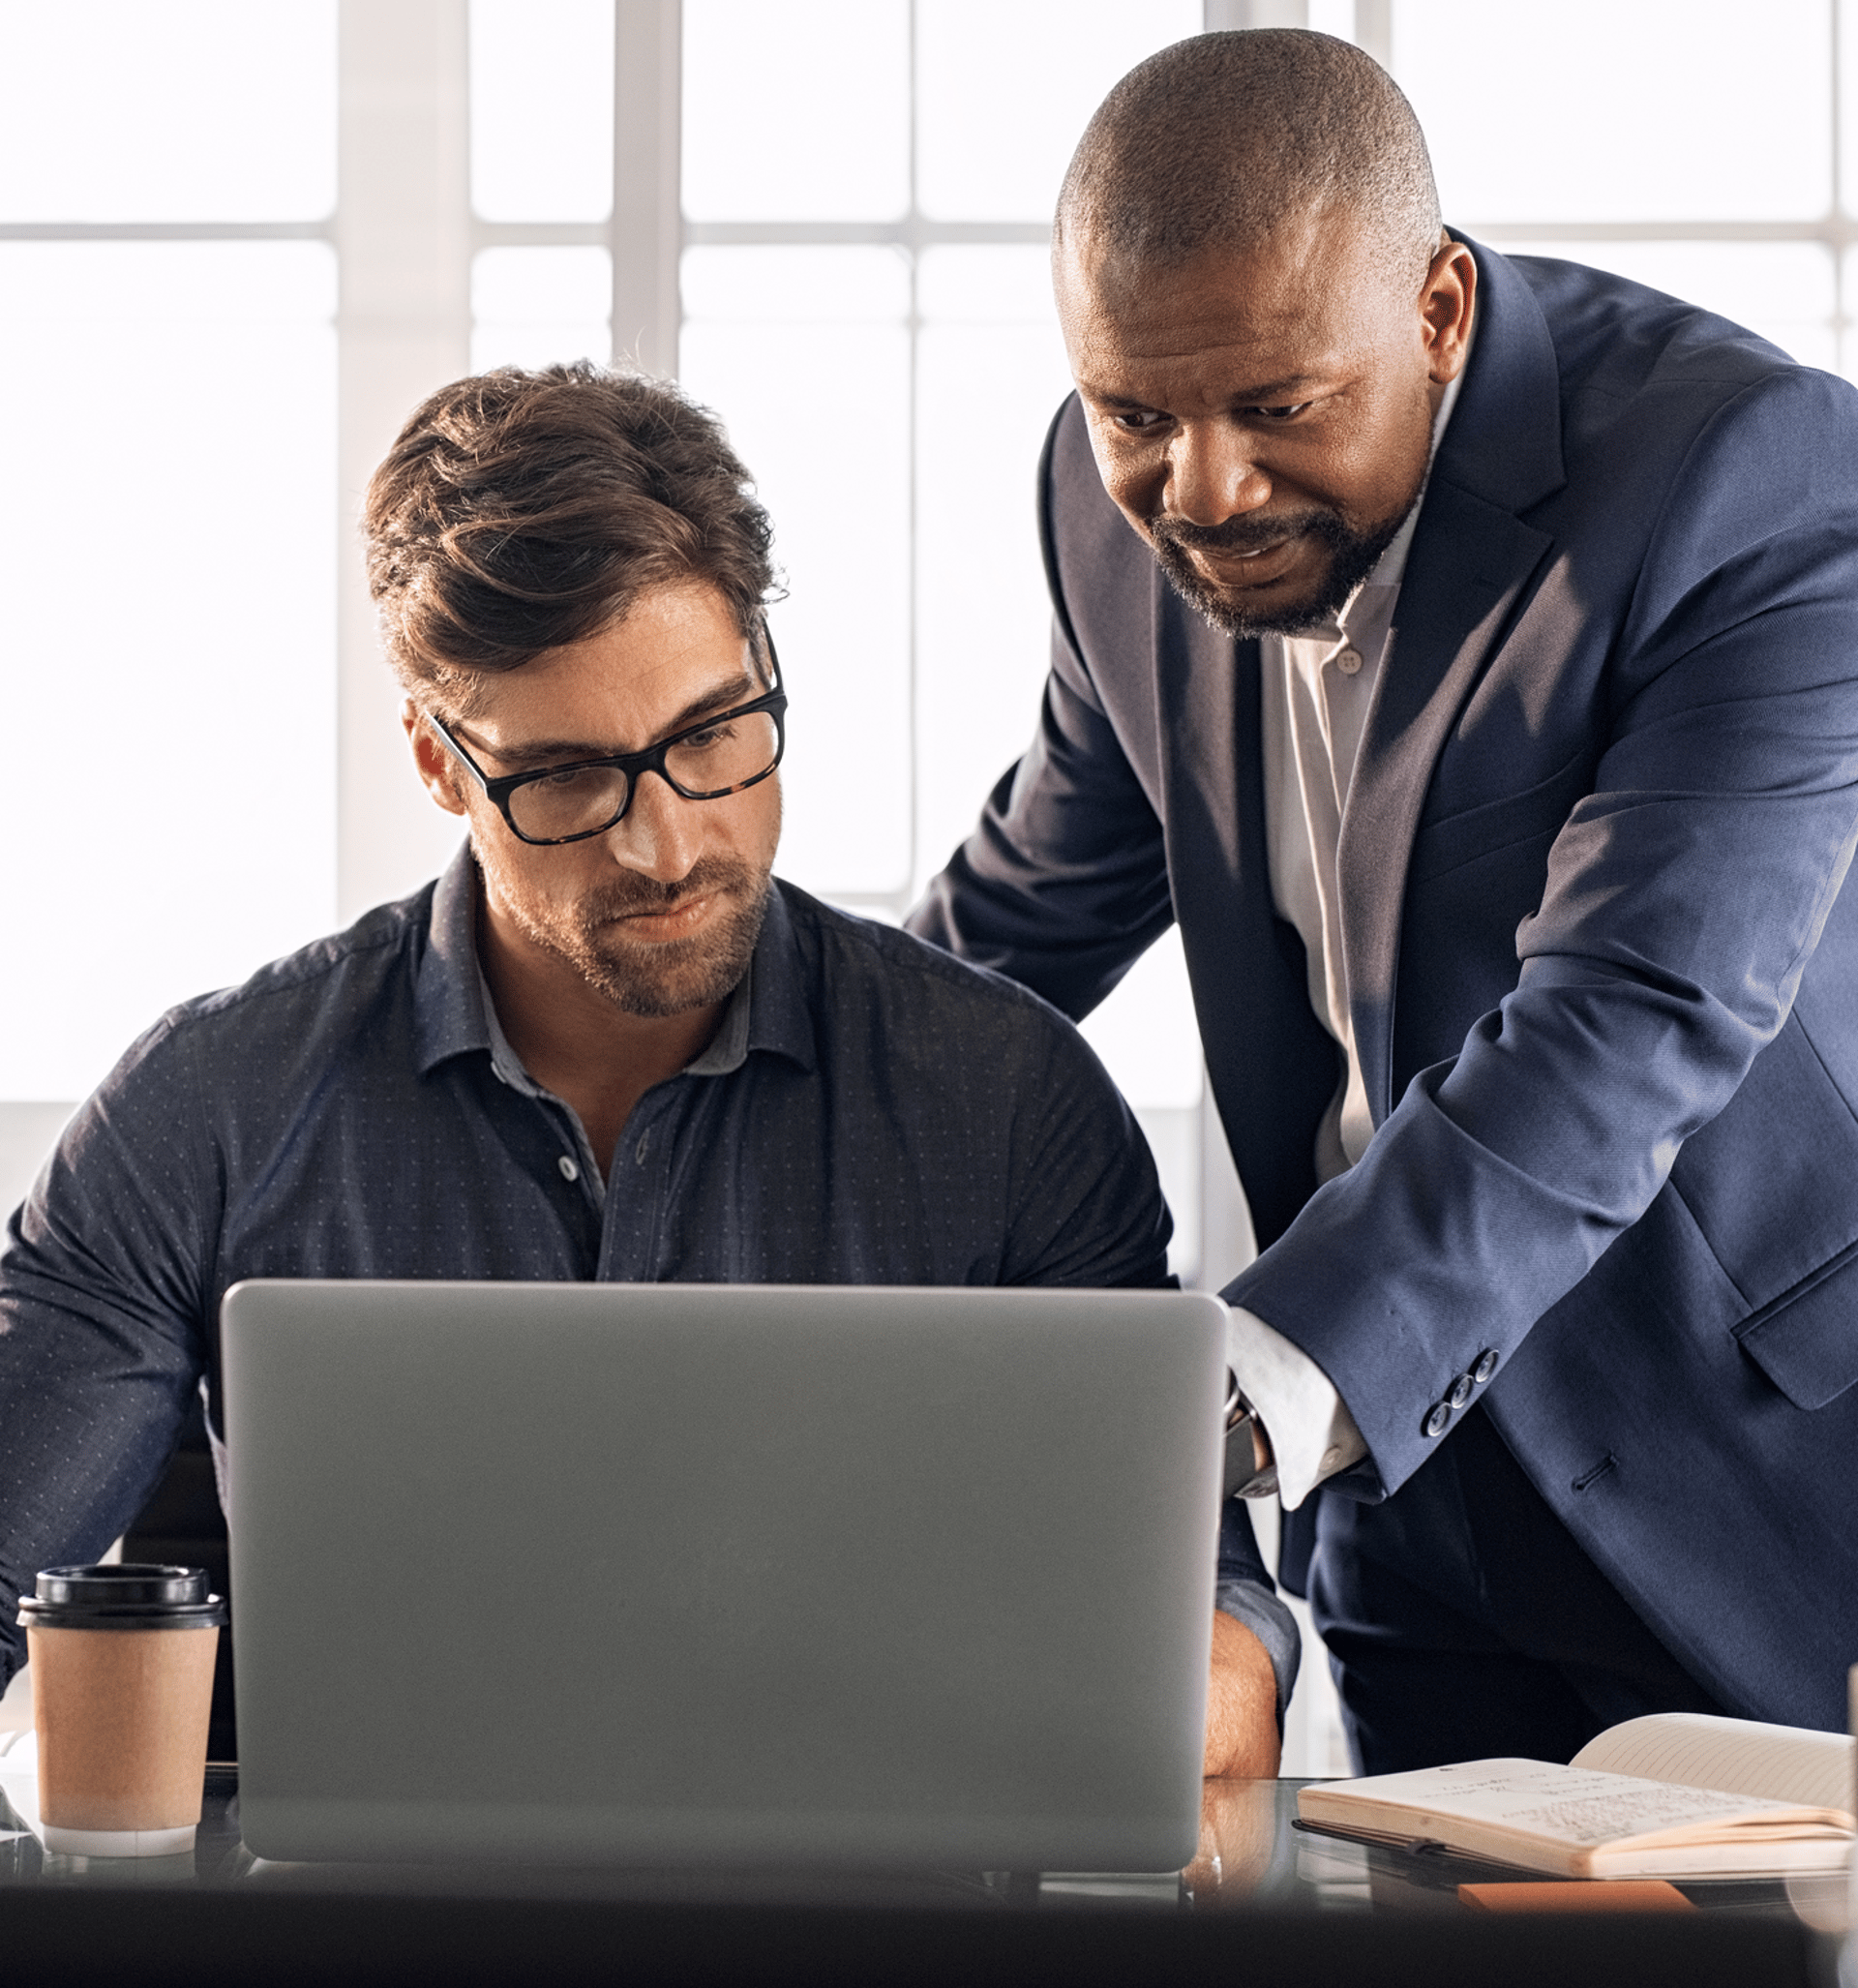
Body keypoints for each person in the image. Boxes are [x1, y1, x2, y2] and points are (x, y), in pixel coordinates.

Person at [0, 365, 1293, 1773]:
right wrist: (48, 1741)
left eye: (711, 737)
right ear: (439, 761)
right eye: (565, 777)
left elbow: (1211, 1621)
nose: (666, 846)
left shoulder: (1011, 1103)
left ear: (766, 672)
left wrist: (1190, 1695)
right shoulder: (208, 1110)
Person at [910, 29, 1858, 1771]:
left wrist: (1238, 1400)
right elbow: (1018, 921)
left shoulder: (1754, 479)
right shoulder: (1098, 503)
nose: (1198, 492)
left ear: (1436, 314)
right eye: (1137, 415)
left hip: (1759, 1471)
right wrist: (747, 1126)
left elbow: (1634, 1016)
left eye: (1277, 408)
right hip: (1405, 1507)